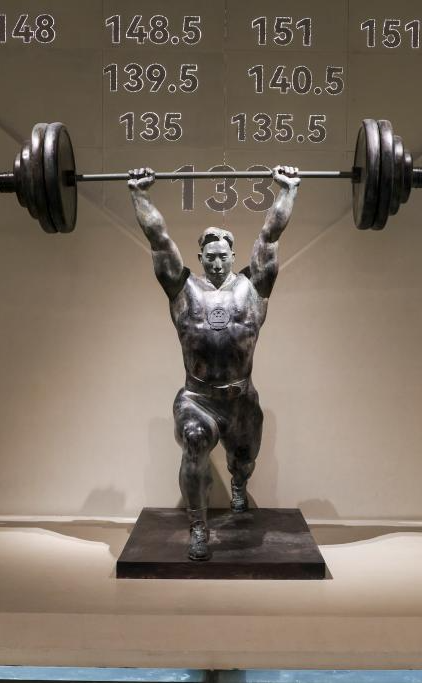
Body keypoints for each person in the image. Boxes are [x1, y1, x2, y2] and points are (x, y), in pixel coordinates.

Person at [128, 165, 300, 560]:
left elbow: (270, 236)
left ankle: (239, 483)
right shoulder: (183, 290)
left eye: (223, 256)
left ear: (233, 256)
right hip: (198, 399)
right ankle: (198, 526)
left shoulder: (254, 287)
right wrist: (139, 193)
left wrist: (288, 190)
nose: (217, 264)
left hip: (241, 401)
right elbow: (158, 240)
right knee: (193, 441)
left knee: (245, 460)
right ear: (200, 258)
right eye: (210, 257)